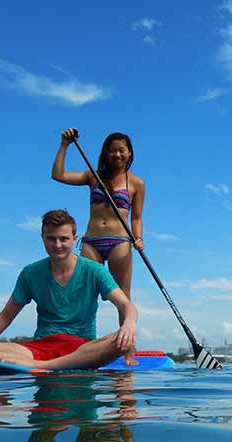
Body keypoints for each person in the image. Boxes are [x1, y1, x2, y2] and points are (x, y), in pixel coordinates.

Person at [0, 210, 138, 372]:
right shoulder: (30, 273)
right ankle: (40, 364)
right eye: (51, 239)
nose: (57, 245)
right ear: (42, 238)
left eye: (63, 239)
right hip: (40, 347)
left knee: (124, 340)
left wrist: (128, 323)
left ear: (74, 239)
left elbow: (125, 305)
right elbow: (5, 316)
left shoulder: (94, 270)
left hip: (82, 350)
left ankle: (46, 366)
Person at [52, 128, 145, 365]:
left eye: (121, 150)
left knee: (123, 298)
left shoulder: (136, 183)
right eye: (112, 150)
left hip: (120, 242)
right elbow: (58, 175)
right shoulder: (92, 176)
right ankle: (78, 349)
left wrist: (138, 238)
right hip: (92, 242)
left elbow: (136, 218)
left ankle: (129, 352)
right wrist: (65, 145)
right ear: (105, 153)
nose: (117, 154)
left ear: (130, 153)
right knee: (83, 296)